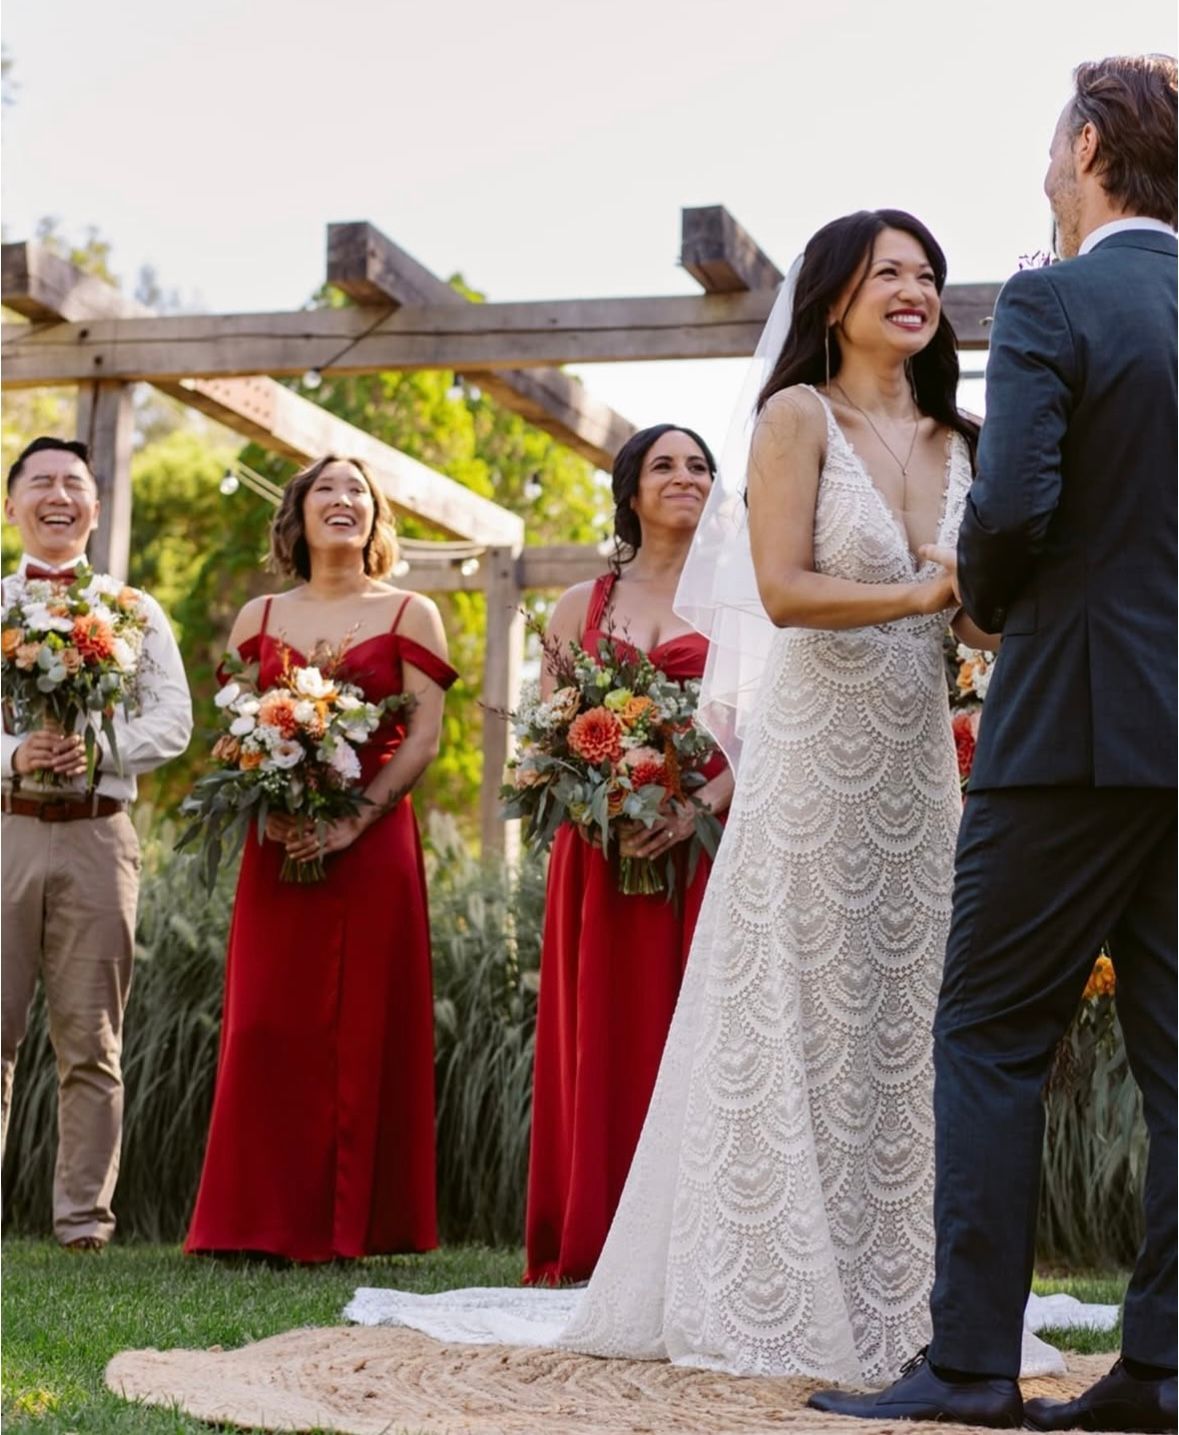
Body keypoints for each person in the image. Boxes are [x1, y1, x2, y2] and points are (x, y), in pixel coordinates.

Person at [346, 211, 1069, 1377]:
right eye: (888, 271)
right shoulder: (797, 418)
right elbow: (782, 591)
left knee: (906, 1022)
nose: (915, 288)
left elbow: (976, 617)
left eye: (928, 274)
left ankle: (906, 1293)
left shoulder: (959, 435)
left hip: (914, 764)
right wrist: (928, 597)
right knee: (803, 1013)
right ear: (834, 298)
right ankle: (774, 1284)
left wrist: (997, 594)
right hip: (815, 758)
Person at [809, 55, 1178, 1431]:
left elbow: (1010, 503)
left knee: (986, 1030)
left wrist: (987, 599)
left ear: (1083, 144)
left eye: (1047, 142)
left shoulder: (1051, 296)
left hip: (1071, 722)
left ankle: (966, 1363)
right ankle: (1158, 1368)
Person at [184, 455, 457, 1262]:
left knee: (362, 1021)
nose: (344, 501)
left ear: (376, 519)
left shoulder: (413, 611)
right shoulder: (258, 616)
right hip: (277, 844)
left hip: (373, 847)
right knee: (268, 1021)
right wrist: (263, 802)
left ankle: (354, 1225)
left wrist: (354, 823)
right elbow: (236, 731)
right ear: (298, 515)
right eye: (326, 490)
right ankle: (250, 1221)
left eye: (359, 493)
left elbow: (428, 738)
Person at [524, 424, 734, 1285]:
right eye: (664, 465)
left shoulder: (747, 600)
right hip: (601, 855)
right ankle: (600, 1232)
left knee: (704, 1031)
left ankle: (700, 1241)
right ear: (630, 489)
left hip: (712, 844)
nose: (684, 478)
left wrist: (694, 809)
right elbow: (544, 736)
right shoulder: (583, 603)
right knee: (606, 1033)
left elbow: (768, 731)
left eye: (699, 466)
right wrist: (603, 804)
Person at [1, 436, 193, 1250]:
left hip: (97, 835)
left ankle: (83, 1223)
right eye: (40, 481)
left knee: (92, 1042)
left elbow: (174, 720)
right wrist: (15, 751)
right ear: (12, 504)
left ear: (94, 506)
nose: (58, 494)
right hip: (5, 825)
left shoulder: (134, 610)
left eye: (74, 483)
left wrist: (103, 749)